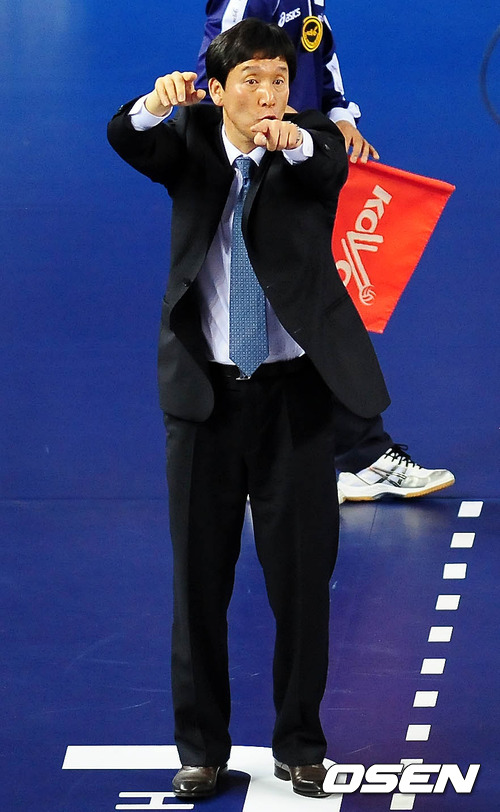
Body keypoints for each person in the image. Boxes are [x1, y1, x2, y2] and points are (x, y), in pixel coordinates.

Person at [108, 18, 390, 799]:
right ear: (217, 90)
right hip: (204, 399)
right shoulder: (190, 141)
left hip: (295, 401)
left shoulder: (313, 144)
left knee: (301, 582)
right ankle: (201, 750)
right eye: (252, 81)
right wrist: (154, 103)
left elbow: (324, 165)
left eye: (279, 81)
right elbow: (126, 138)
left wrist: (291, 138)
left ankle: (301, 743)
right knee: (198, 582)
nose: (269, 95)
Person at [195, 0, 456, 503]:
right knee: (285, 313)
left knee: (310, 309)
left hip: (299, 157)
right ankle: (346, 456)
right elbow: (221, 73)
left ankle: (346, 454)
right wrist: (258, 146)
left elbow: (318, 47)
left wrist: (335, 117)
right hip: (265, 167)